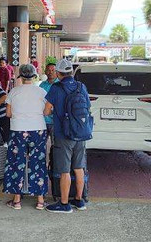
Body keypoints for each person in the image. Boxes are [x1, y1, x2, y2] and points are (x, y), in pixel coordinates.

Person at [44, 59, 89, 213]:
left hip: (63, 134)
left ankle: (64, 204)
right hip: (81, 133)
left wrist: (53, 111)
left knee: (64, 170)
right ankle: (79, 200)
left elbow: (46, 110)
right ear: (71, 72)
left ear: (58, 73)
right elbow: (87, 107)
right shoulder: (81, 86)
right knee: (79, 168)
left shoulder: (56, 88)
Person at [3, 64, 48, 210]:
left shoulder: (13, 92)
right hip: (38, 130)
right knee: (38, 163)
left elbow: (8, 114)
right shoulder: (41, 92)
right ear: (34, 76)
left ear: (21, 77)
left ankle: (17, 201)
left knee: (17, 162)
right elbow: (47, 111)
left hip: (18, 129)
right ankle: (40, 200)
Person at [39, 63, 58, 135]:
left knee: (56, 145)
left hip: (56, 121)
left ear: (57, 71)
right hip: (43, 121)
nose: (50, 72)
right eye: (48, 70)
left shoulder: (60, 85)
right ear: (45, 71)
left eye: (53, 70)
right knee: (41, 144)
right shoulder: (42, 85)